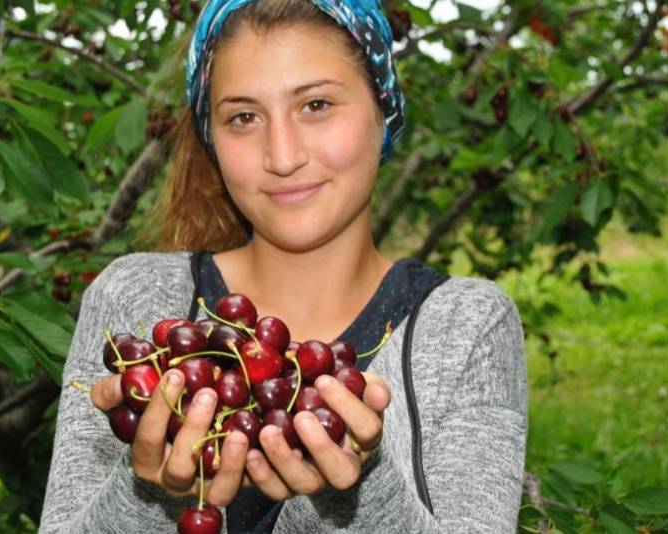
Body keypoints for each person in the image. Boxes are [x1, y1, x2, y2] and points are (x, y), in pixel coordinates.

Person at [39, 0, 528, 532]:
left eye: (316, 105)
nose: (282, 154)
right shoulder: (137, 305)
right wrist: (149, 493)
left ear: (383, 108)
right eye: (244, 117)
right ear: (213, 140)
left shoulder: (467, 326)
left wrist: (352, 494)